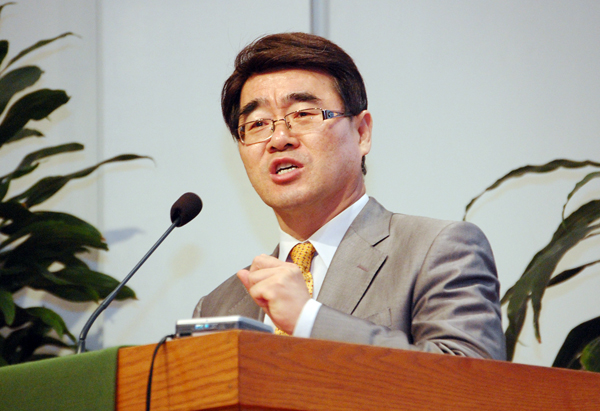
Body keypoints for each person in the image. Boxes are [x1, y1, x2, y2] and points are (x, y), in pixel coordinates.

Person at [193, 32, 506, 360]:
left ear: (361, 133)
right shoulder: (217, 307)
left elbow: (472, 377)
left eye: (303, 114)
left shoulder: (437, 251)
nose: (279, 138)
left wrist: (308, 319)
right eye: (257, 124)